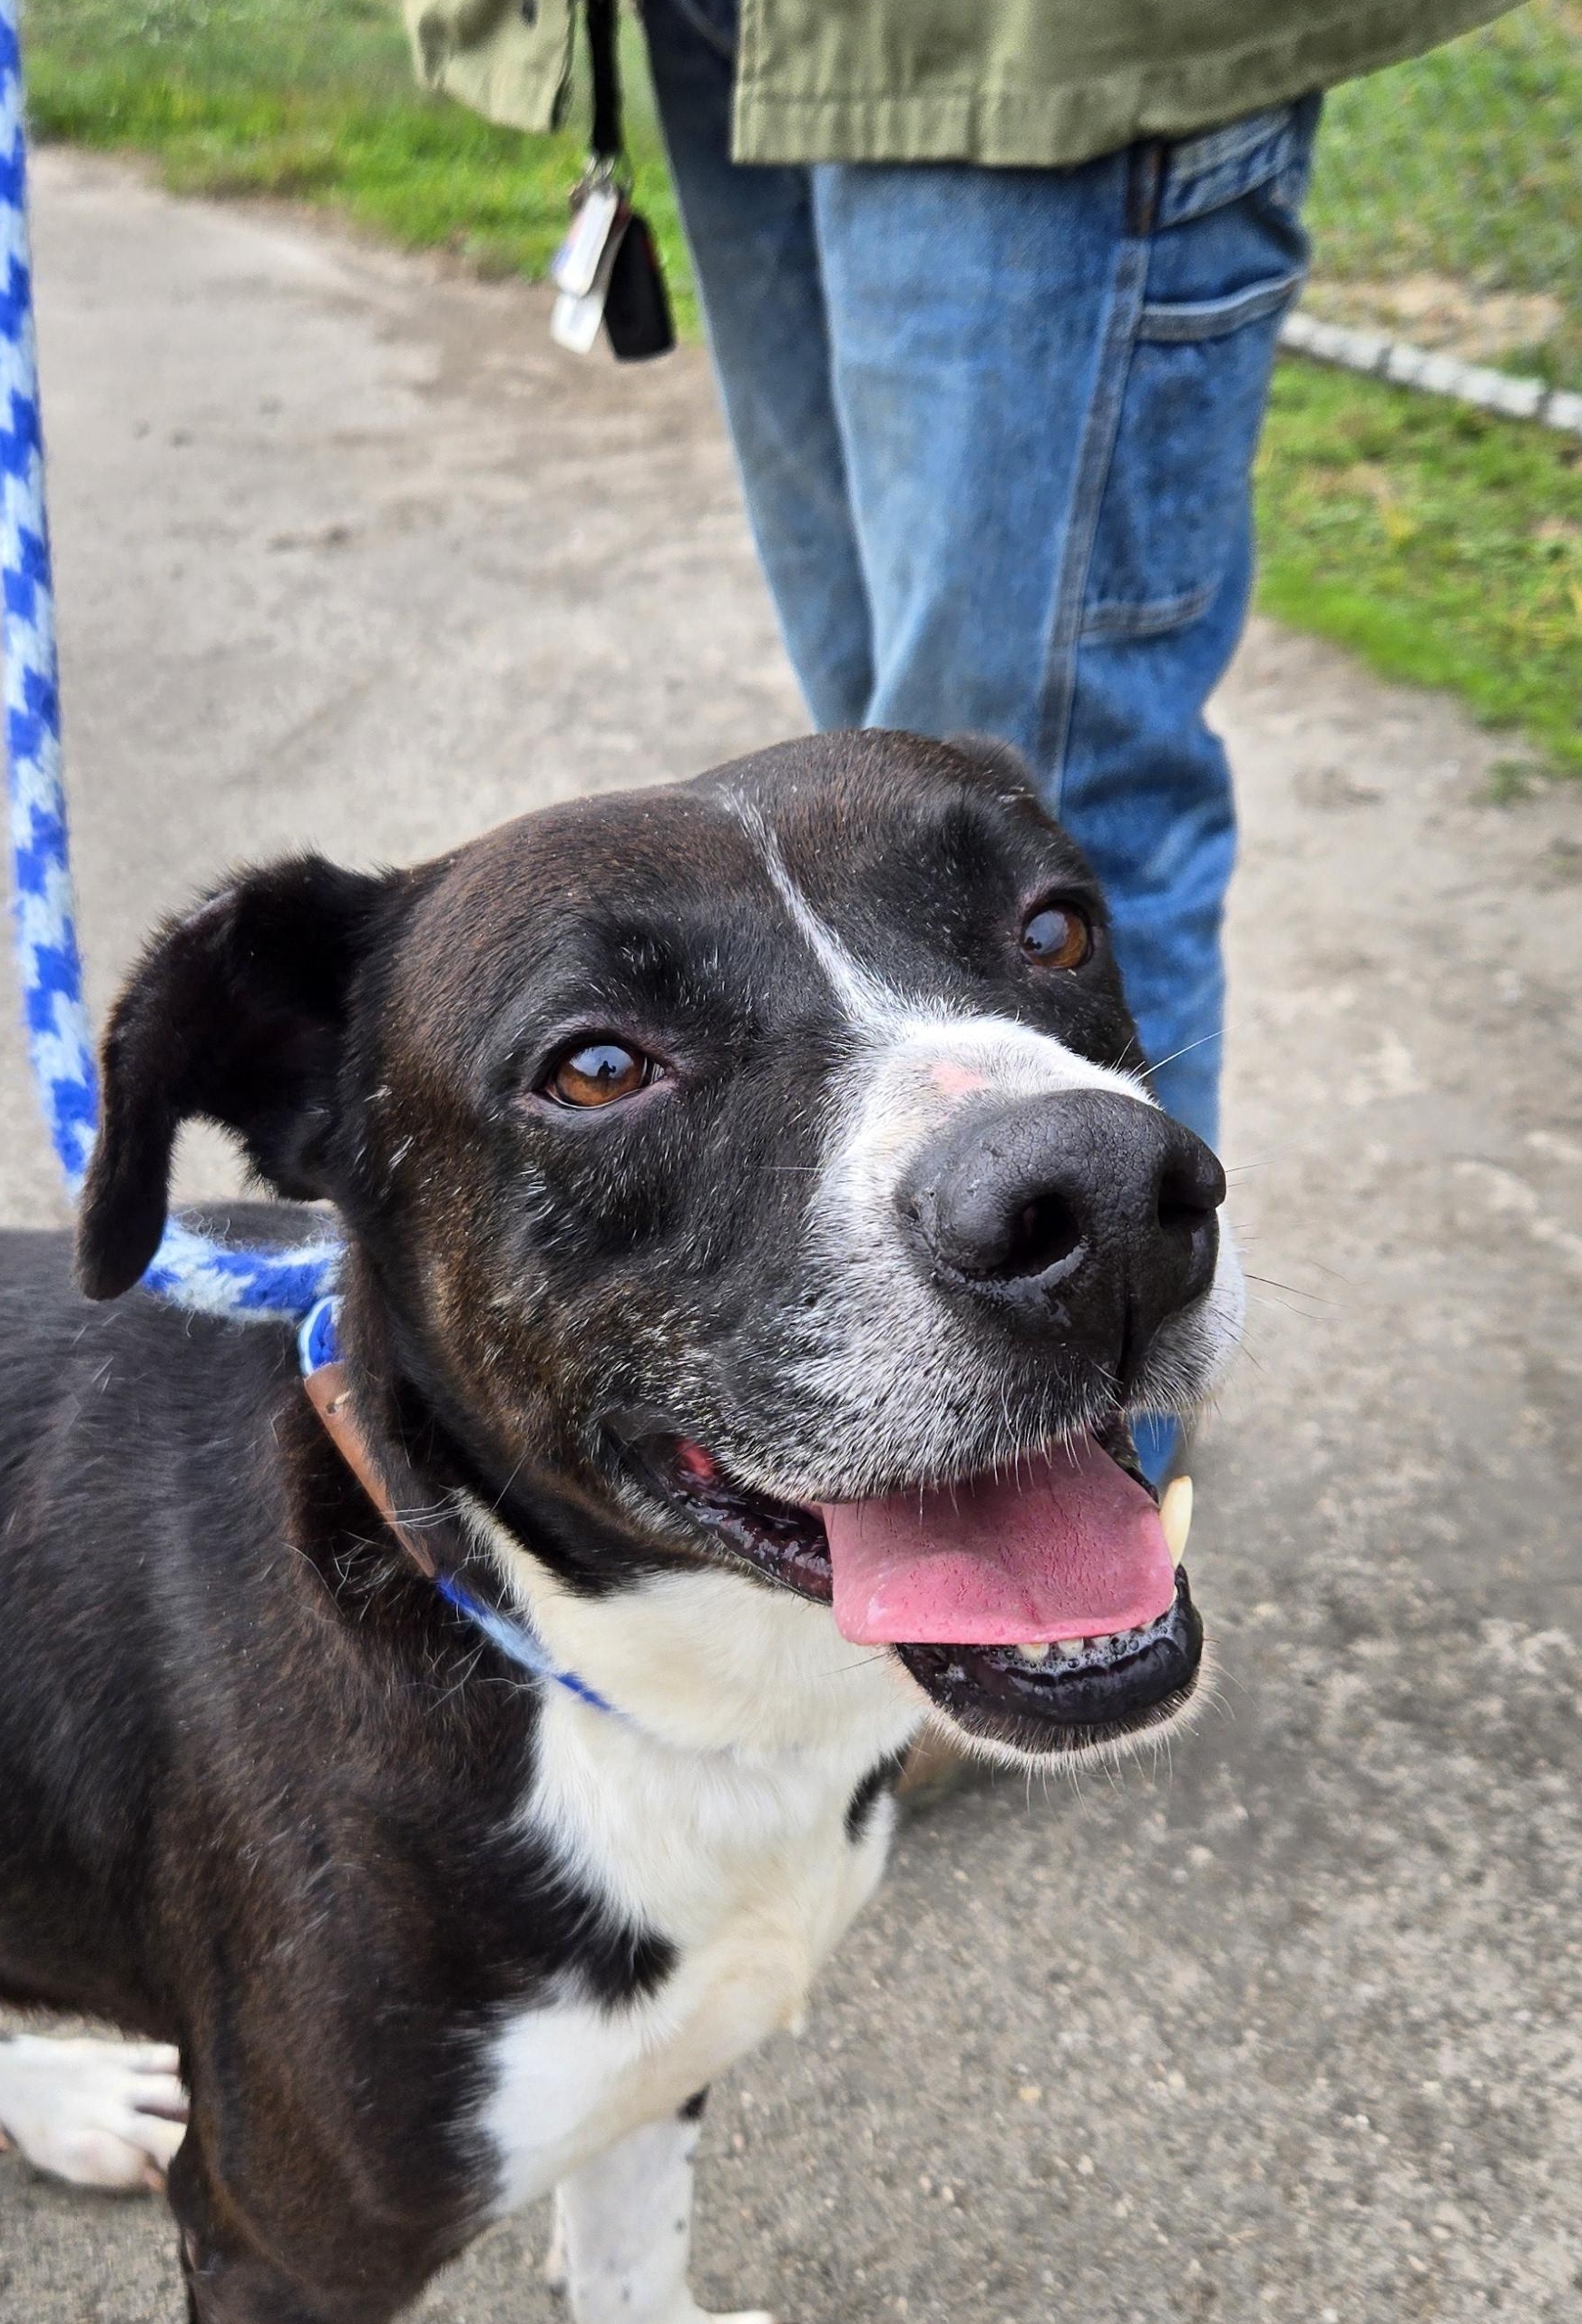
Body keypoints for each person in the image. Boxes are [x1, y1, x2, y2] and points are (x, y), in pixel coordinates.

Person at [405, 0, 1511, 1475]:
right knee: (882, 777)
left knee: (1056, 793)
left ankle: (1103, 1455)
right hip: (727, 28)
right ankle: (924, 1446)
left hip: (1041, 42)